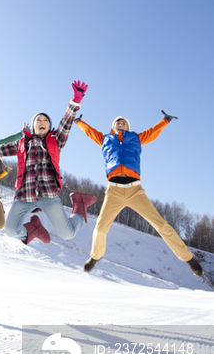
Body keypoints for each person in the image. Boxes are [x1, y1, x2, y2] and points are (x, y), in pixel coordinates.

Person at [0, 81, 96, 246]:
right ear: (33, 126)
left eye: (45, 120)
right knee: (10, 230)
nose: (42, 122)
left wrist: (75, 101)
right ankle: (34, 229)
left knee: (67, 234)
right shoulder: (22, 144)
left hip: (48, 196)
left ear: (49, 126)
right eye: (38, 120)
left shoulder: (55, 140)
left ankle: (80, 206)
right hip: (24, 197)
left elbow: (66, 123)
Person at [75, 112, 204, 277]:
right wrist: (79, 121)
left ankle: (188, 259)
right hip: (113, 191)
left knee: (161, 225)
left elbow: (152, 132)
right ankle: (95, 256)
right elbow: (90, 131)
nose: (120, 124)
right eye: (118, 122)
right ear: (113, 126)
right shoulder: (105, 139)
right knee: (100, 228)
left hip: (135, 191)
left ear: (127, 127)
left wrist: (166, 120)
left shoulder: (136, 138)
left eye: (123, 123)